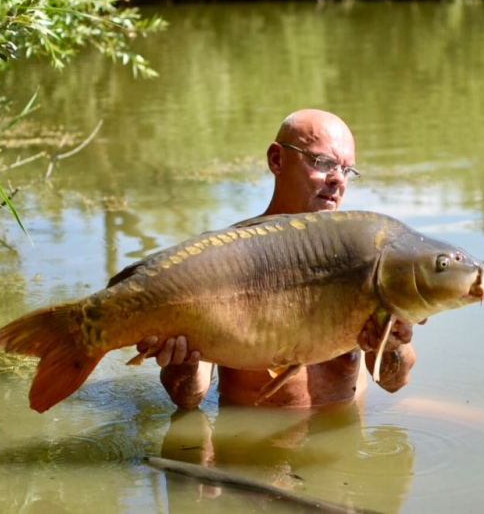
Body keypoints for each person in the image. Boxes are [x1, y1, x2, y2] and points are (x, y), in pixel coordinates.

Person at [136, 109, 420, 410]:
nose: (338, 179)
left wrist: (391, 344)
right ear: (276, 159)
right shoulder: (223, 258)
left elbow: (394, 382)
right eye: (323, 163)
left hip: (341, 445)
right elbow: (188, 399)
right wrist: (183, 362)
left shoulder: (361, 255)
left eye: (347, 170)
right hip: (251, 447)